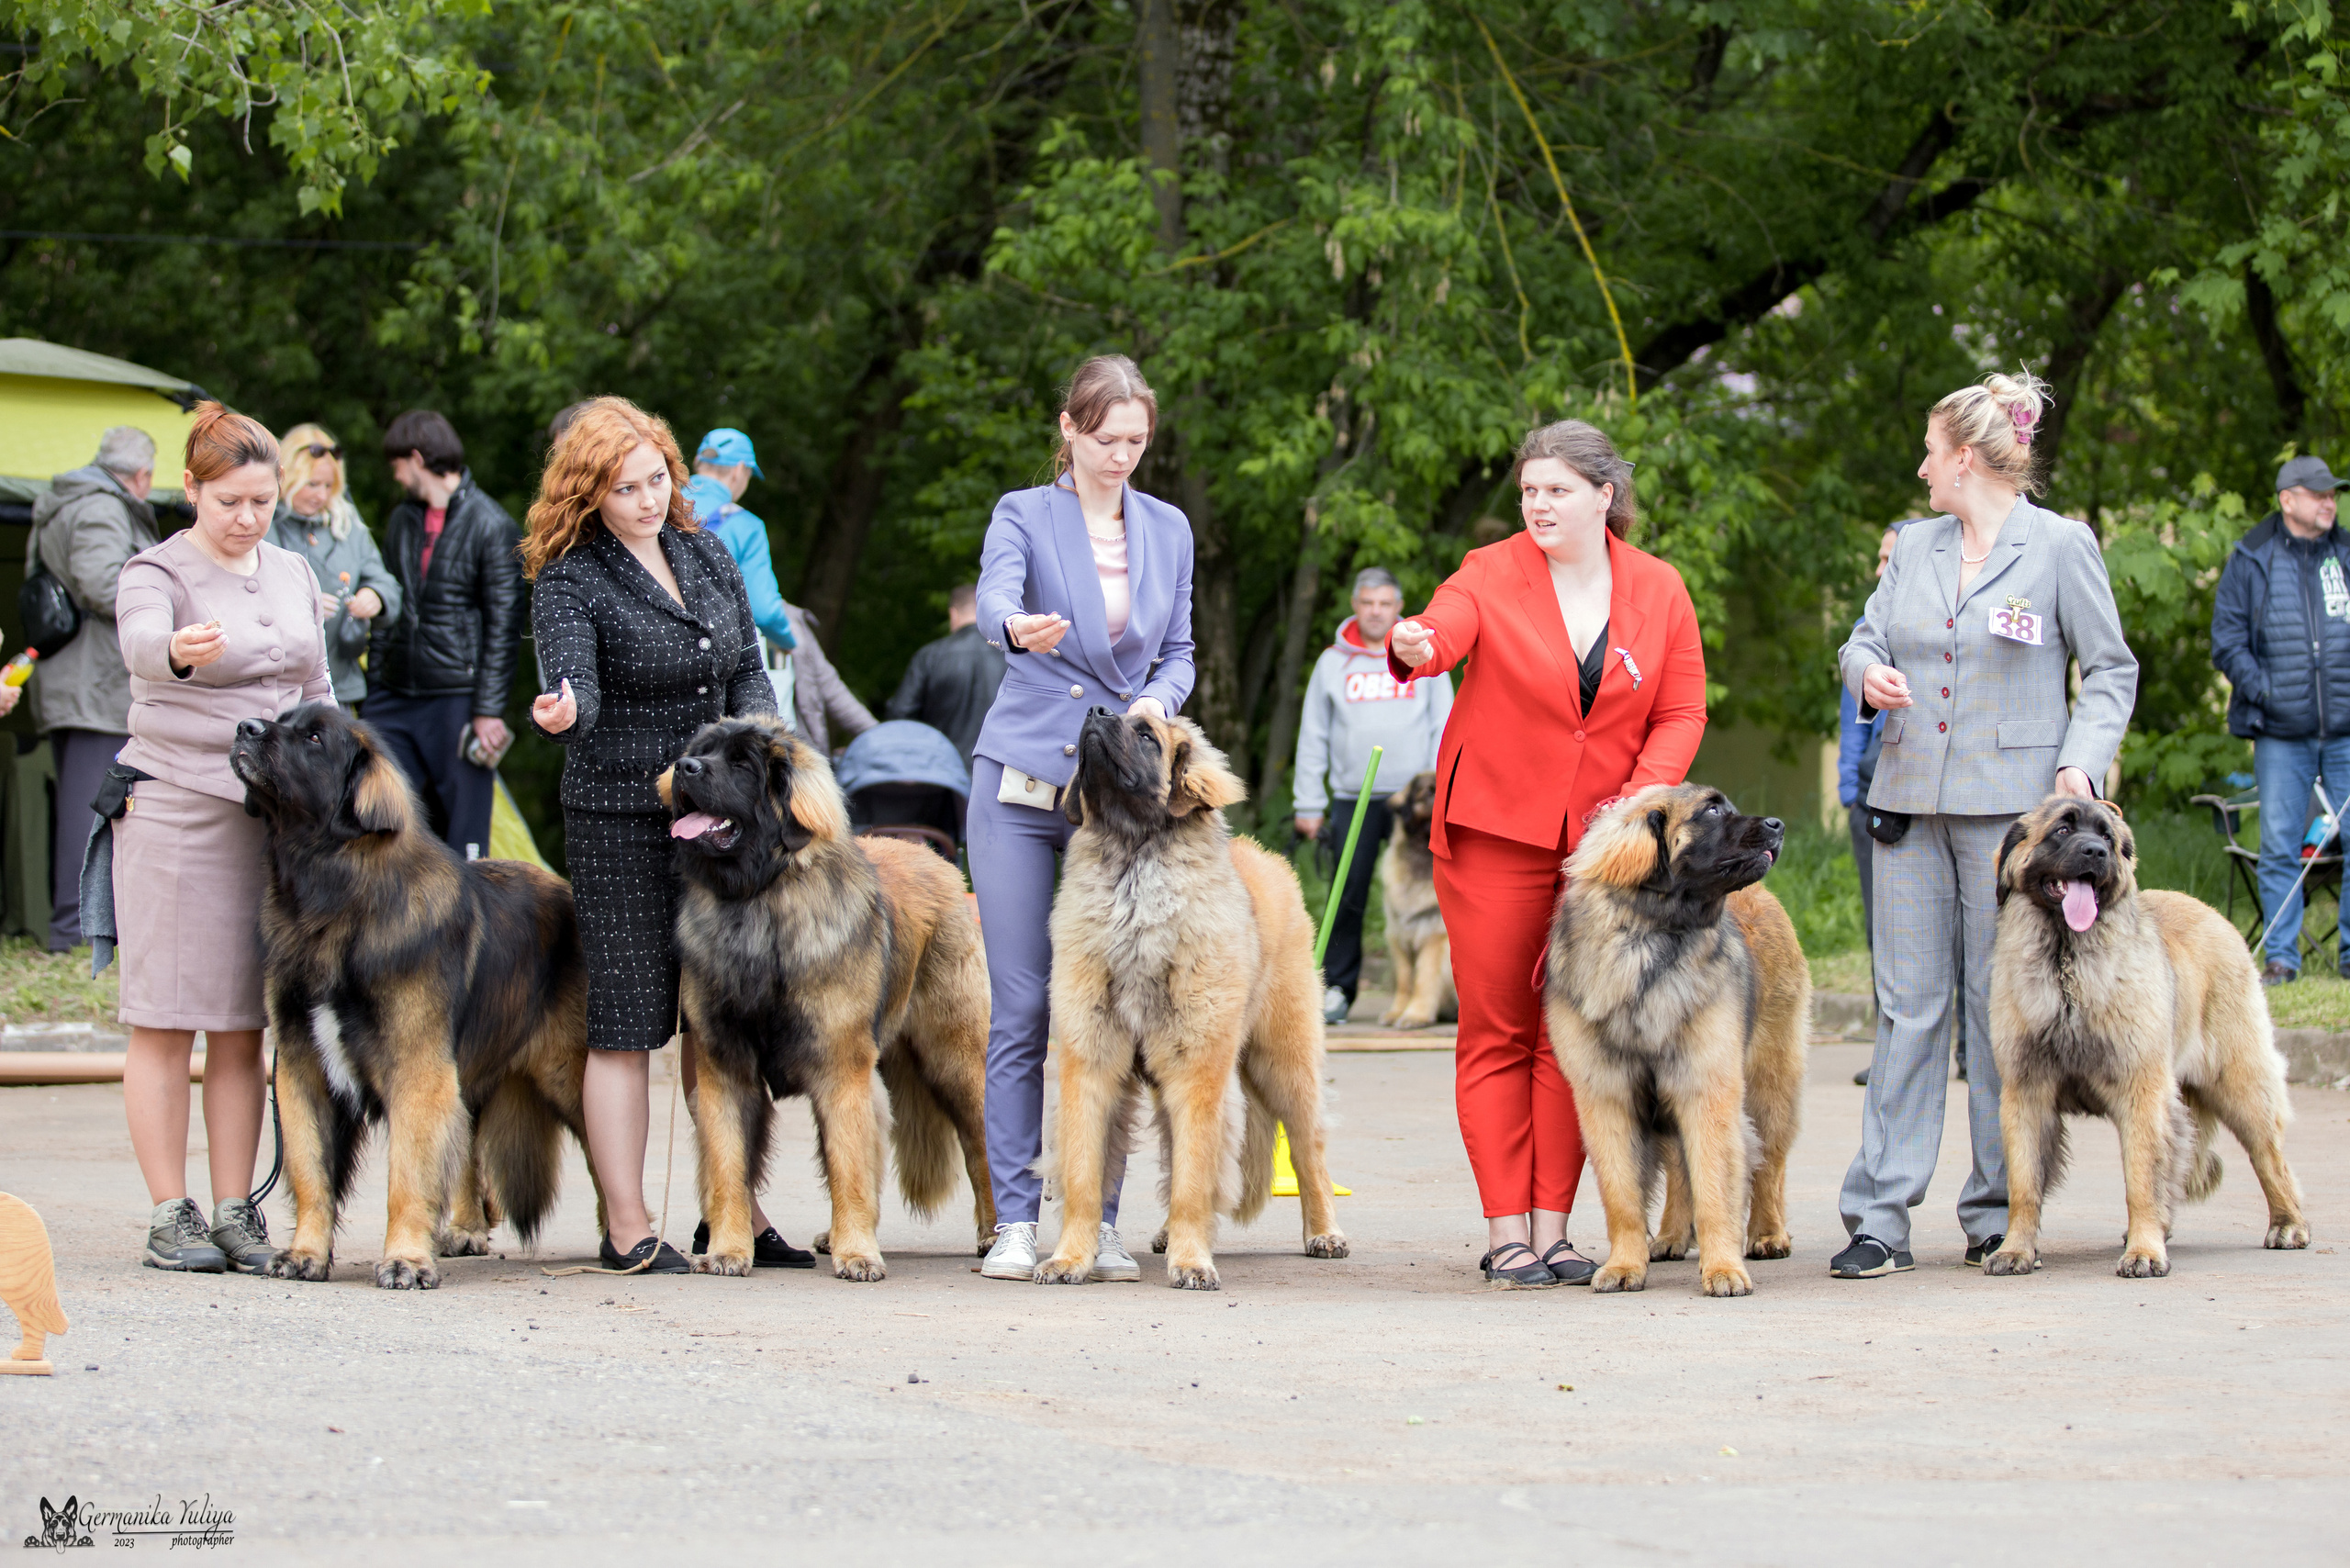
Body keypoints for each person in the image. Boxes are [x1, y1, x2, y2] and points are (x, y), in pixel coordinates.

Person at [1388, 419, 1707, 1288]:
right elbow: (1441, 628)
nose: (1538, 504)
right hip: (1492, 832)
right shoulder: (1490, 571)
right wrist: (1415, 643)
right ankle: (1505, 1233)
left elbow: (1682, 710)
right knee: (1498, 1030)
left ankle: (1555, 1228)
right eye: (1529, 490)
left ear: (1606, 496)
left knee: (1574, 1037)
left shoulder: (1659, 588)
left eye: (1557, 490)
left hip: (1600, 852)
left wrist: (1639, 798)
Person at [1836, 369, 2137, 1280]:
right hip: (1908, 803)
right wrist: (1864, 674)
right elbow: (1861, 638)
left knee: (1996, 1014)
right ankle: (1879, 1214)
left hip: (2016, 826)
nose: (1920, 467)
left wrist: (2078, 762)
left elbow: (2110, 669)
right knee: (1907, 1007)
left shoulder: (2058, 547)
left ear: (1963, 457)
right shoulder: (1917, 546)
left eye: (1929, 451)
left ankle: (1999, 1210)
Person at [523, 397, 778, 1274]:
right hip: (622, 819)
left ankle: (732, 1211)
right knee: (626, 1024)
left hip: (722, 824)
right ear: (588, 493)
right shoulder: (568, 577)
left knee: (723, 1022)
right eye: (623, 487)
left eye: (655, 479)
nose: (644, 498)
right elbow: (575, 689)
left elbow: (746, 663)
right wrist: (563, 711)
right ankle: (629, 1225)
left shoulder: (705, 548)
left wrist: (767, 743)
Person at [967, 353, 1196, 1284]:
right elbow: (992, 598)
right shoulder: (1025, 513)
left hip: (1116, 800)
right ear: (1068, 429)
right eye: (1107, 441)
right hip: (1022, 782)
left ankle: (1095, 1219)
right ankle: (1014, 1218)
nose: (1123, 458)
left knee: (1108, 1014)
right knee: (1024, 1005)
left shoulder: (1168, 527)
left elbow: (1178, 651)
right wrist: (1013, 628)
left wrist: (1154, 704)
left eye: (1137, 442)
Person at [112, 404, 334, 1272]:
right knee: (167, 1020)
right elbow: (138, 648)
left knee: (246, 1025)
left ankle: (238, 1208)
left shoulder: (288, 568)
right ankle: (172, 1212)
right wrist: (177, 649)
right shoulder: (152, 570)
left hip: (276, 827)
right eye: (230, 502)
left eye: (262, 502)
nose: (247, 519)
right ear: (191, 490)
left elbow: (316, 681)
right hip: (178, 807)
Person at [2210, 453, 2350, 985]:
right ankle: (2282, 960)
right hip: (2280, 733)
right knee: (2279, 847)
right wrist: (2267, 693)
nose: (2329, 502)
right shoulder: (2253, 556)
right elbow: (2227, 643)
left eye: (2332, 494)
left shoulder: (2345, 552)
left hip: (2345, 729)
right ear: (2287, 499)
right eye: (2319, 494)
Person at [1292, 566, 1453, 1025]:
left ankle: (1440, 992)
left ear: (1398, 607)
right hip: (1353, 796)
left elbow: (1444, 723)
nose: (1376, 611)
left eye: (1385, 603)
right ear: (1355, 605)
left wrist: (1438, 787)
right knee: (1348, 893)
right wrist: (1308, 803)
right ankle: (1338, 991)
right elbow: (1313, 735)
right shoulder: (1332, 663)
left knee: (1434, 897)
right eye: (1368, 602)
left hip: (1416, 803)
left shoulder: (1421, 652)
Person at [26, 425, 162, 950]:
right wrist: (162, 604)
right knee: (88, 813)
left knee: (87, 808)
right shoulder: (102, 508)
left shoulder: (72, 500)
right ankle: (74, 931)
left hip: (79, 679)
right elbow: (103, 583)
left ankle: (81, 928)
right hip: (93, 684)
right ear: (142, 477)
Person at [369, 409, 522, 858]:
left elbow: (504, 625)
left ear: (416, 459)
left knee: (465, 833)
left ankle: (468, 927)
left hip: (458, 700)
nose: (396, 478)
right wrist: (376, 685)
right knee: (384, 821)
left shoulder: (492, 524)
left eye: (396, 466)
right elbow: (388, 603)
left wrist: (489, 710)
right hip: (393, 697)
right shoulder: (401, 520)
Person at [1839, 521, 1911, 1089]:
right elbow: (1852, 723)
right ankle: (1890, 1048)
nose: (1882, 569)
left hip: (1928, 789)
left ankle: (1963, 1051)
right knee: (1882, 929)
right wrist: (1847, 791)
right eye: (1880, 559)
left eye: (1891, 558)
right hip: (1872, 794)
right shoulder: (1871, 628)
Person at [268, 423, 401, 706]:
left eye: (329, 486)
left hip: (340, 687)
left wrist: (376, 596)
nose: (321, 495)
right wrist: (303, 604)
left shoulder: (349, 524)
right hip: (280, 687)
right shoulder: (266, 522)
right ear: (285, 477)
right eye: (312, 484)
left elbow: (386, 583)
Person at [887, 583, 1007, 767]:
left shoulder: (930, 656)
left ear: (953, 614)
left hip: (940, 773)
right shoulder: (1011, 658)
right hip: (998, 771)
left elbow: (900, 716)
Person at [782, 599, 878, 753]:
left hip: (798, 753)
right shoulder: (732, 618)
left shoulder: (792, 619)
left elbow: (831, 687)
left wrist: (881, 737)